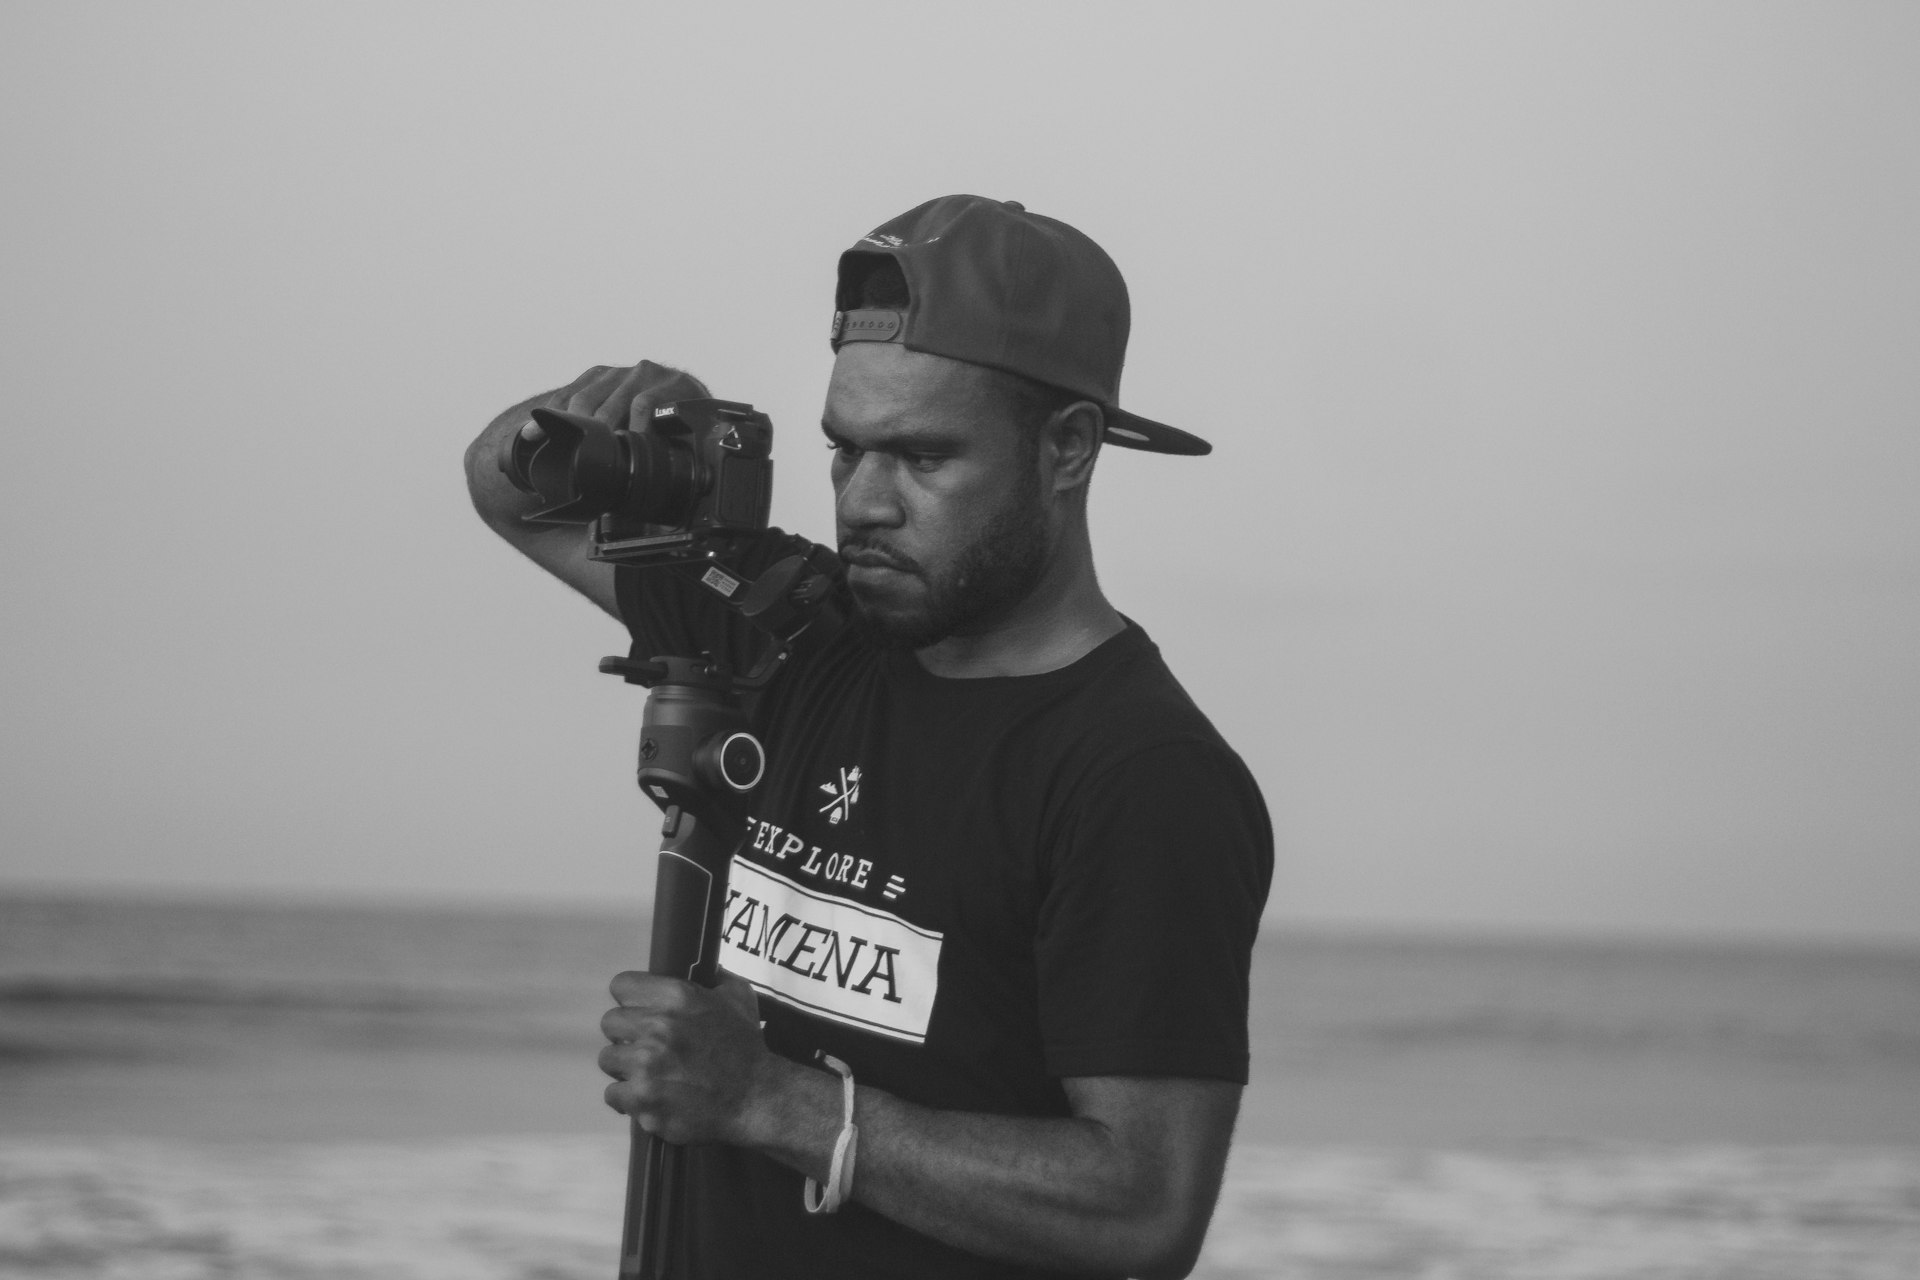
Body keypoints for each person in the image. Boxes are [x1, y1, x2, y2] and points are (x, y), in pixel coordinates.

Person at [466, 195, 1272, 1280]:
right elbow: (507, 483)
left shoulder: (1139, 774)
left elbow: (1143, 1207)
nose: (865, 503)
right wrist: (643, 423)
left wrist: (770, 1101)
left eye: (923, 457)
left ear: (1068, 448)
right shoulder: (795, 625)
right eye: (845, 449)